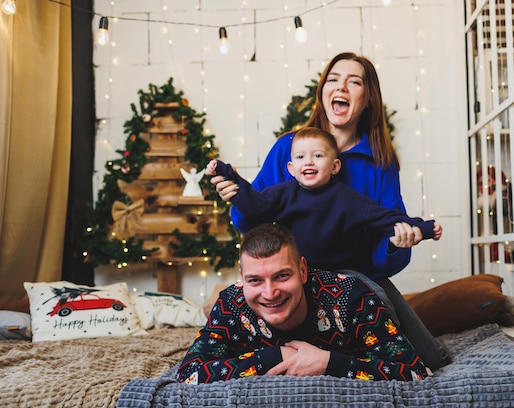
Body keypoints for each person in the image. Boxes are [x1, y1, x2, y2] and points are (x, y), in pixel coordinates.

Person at [211, 52, 451, 371]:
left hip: (357, 273)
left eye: (354, 82)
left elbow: (387, 239)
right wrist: (236, 195)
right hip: (297, 272)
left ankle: (351, 361)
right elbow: (253, 218)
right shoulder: (289, 147)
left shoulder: (380, 162)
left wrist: (400, 240)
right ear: (323, 91)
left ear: (367, 99)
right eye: (334, 80)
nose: (342, 86)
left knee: (431, 358)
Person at [176, 223, 429, 383]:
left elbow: (415, 373)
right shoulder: (231, 304)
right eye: (255, 280)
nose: (270, 292)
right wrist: (276, 357)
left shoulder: (351, 297)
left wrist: (328, 363)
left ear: (303, 270)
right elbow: (189, 374)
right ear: (242, 279)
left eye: (282, 276)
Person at [205, 127, 442, 274]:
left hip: (346, 275)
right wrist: (228, 174)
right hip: (298, 274)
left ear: (335, 166)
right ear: (291, 167)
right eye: (300, 157)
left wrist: (422, 228)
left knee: (376, 308)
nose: (308, 162)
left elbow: (385, 218)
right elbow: (255, 205)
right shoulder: (283, 194)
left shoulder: (347, 198)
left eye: (317, 156)